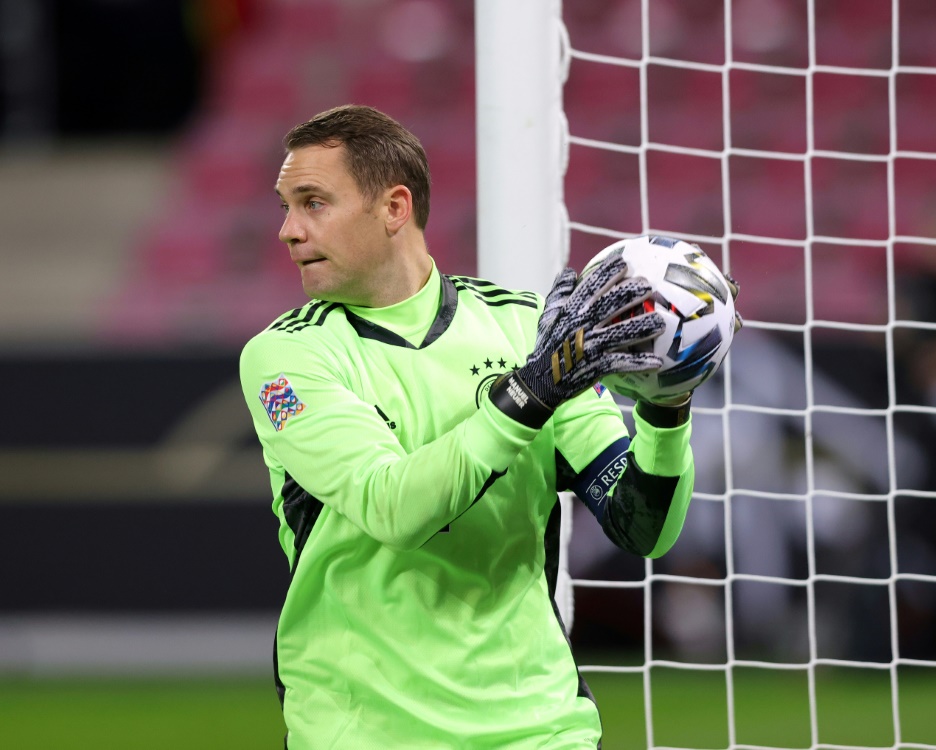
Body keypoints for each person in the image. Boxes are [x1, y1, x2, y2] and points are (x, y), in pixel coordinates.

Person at [239, 104, 701, 749]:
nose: (288, 230)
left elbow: (642, 525)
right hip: (365, 731)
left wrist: (665, 408)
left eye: (312, 202)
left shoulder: (525, 326)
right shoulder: (287, 359)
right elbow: (394, 508)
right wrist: (530, 393)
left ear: (394, 208)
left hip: (537, 728)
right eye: (286, 205)